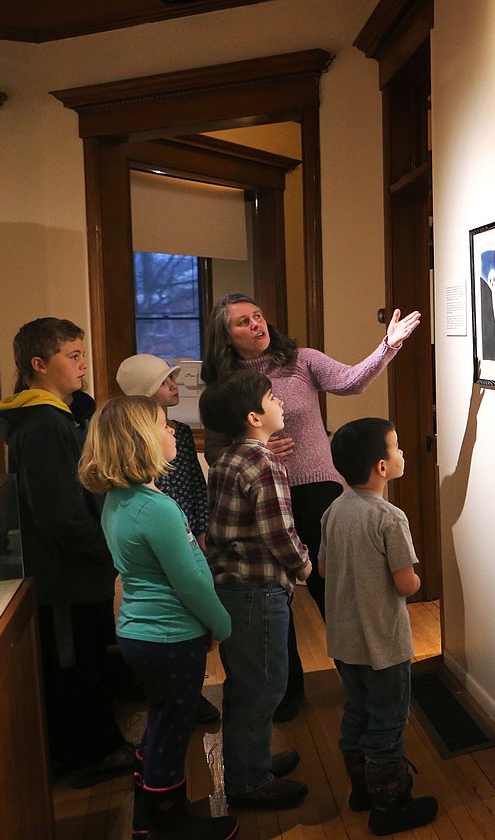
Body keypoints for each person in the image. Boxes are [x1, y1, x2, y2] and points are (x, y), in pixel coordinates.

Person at [200, 292, 420, 722]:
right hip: (264, 497)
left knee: (334, 590)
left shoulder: (300, 360)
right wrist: (257, 448)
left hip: (319, 491)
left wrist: (388, 344)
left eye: (258, 315)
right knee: (275, 597)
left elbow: (352, 381)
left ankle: (359, 677)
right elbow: (217, 451)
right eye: (243, 322)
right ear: (226, 338)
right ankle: (286, 693)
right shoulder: (225, 385)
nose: (256, 325)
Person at [77, 396, 237, 840]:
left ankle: (147, 815)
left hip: (138, 631)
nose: (173, 433)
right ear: (141, 441)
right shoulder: (159, 509)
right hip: (171, 636)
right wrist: (221, 624)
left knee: (161, 719)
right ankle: (172, 822)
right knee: (173, 730)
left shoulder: (119, 500)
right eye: (164, 427)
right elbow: (189, 581)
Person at [0, 317, 134, 788]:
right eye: (72, 356)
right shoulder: (44, 423)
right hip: (65, 574)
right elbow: (59, 511)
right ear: (39, 364)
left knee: (88, 655)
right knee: (74, 663)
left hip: (77, 570)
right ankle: (88, 753)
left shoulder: (56, 416)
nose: (84, 365)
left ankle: (94, 744)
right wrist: (104, 551)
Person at [199, 369, 312, 810]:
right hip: (259, 590)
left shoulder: (226, 459)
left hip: (232, 588)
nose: (281, 402)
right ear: (253, 416)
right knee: (264, 686)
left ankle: (251, 758)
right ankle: (248, 780)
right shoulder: (265, 462)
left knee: (245, 683)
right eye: (272, 398)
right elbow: (278, 531)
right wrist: (303, 563)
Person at [320, 417, 438, 835]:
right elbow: (406, 582)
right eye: (397, 446)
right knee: (388, 722)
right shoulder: (390, 518)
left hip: (345, 641)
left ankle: (361, 789)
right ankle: (390, 806)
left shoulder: (334, 509)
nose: (403, 452)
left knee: (357, 711)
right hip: (385, 644)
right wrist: (420, 582)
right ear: (382, 467)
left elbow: (323, 567)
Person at [116, 353, 220, 725]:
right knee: (177, 596)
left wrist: (203, 524)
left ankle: (190, 687)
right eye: (165, 382)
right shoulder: (141, 442)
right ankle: (182, 694)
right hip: (164, 530)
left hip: (188, 526)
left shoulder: (180, 433)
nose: (175, 386)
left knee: (191, 604)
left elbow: (194, 481)